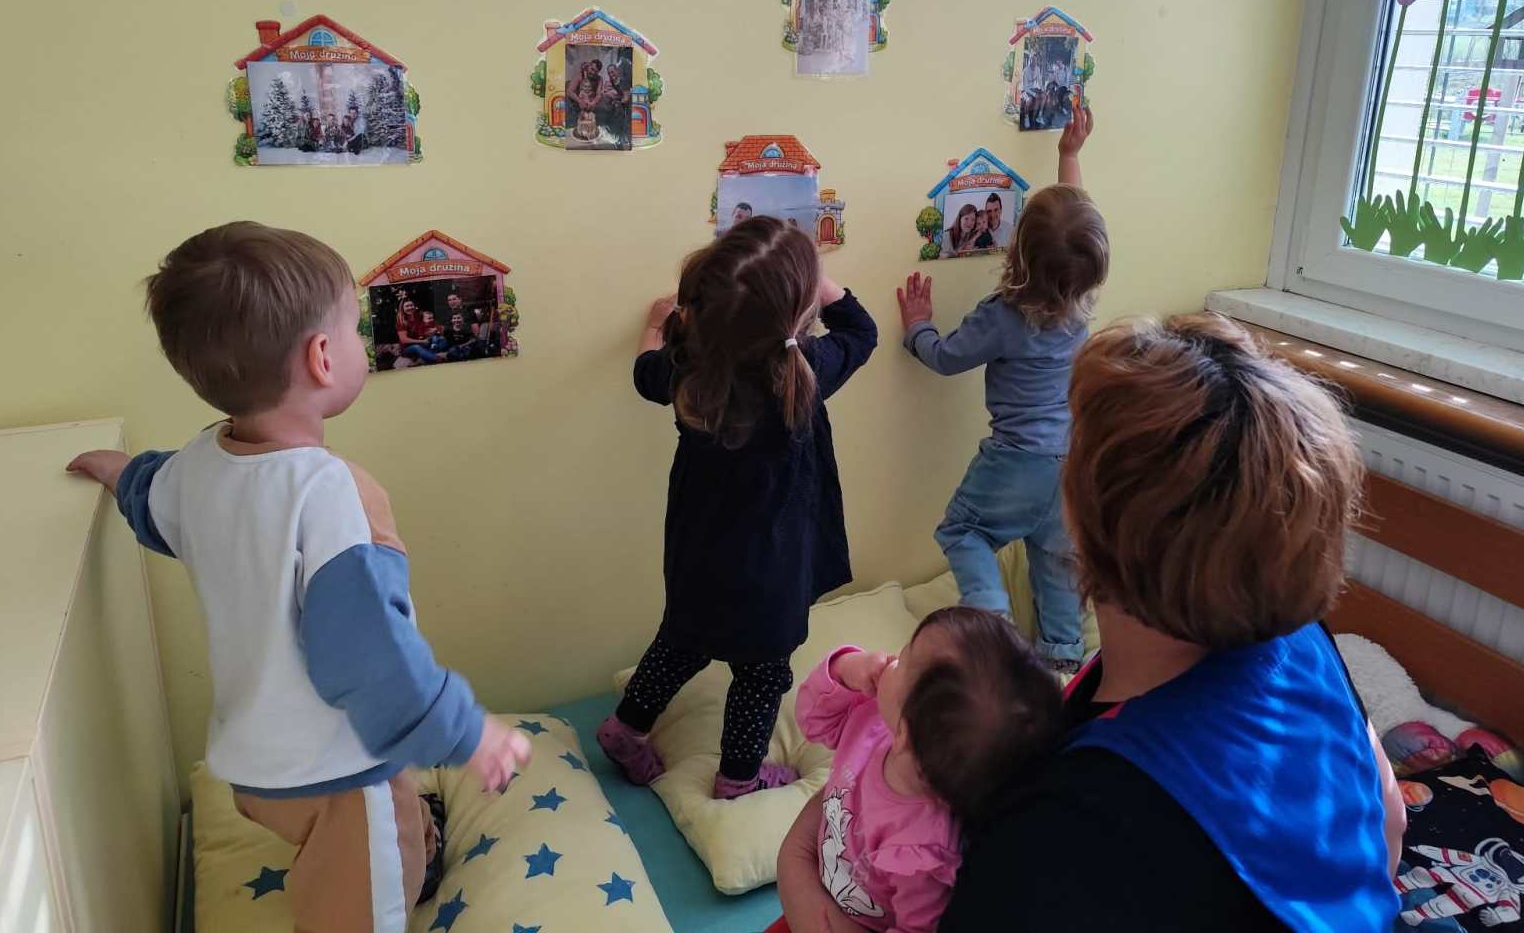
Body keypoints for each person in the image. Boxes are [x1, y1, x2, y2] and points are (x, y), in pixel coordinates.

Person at [65, 222, 530, 933]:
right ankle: (400, 858)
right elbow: (370, 657)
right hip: (338, 777)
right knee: (363, 898)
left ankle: (413, 837)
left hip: (251, 765)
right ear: (322, 357)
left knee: (382, 826)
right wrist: (468, 733)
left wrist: (115, 471)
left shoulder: (198, 463)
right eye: (354, 327)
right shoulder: (330, 495)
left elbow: (150, 502)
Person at [933, 313, 1406, 931]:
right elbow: (1389, 821)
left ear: (1085, 520)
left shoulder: (1058, 830)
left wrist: (811, 877)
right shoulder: (1304, 645)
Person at [597, 216, 878, 800]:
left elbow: (644, 374)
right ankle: (738, 779)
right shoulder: (807, 371)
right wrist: (820, 283)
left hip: (698, 551)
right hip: (773, 570)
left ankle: (624, 729)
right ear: (796, 313)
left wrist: (653, 328)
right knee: (762, 671)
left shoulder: (688, 369)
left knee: (681, 641)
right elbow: (862, 330)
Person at [897, 108, 1107, 673]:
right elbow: (1074, 235)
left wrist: (918, 327)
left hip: (1017, 460)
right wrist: (1069, 155)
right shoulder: (1081, 304)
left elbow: (946, 358)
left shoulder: (1004, 316)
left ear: (1016, 252)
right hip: (1072, 461)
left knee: (962, 529)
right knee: (1057, 560)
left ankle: (992, 624)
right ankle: (1063, 658)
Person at [771, 609, 1062, 933]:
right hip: (816, 872)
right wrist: (843, 668)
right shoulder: (876, 715)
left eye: (905, 657)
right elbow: (813, 721)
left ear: (904, 733)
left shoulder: (922, 854)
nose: (892, 658)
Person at [395, 299, 441, 365]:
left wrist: (434, 330)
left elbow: (431, 323)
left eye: (411, 305)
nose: (410, 307)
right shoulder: (401, 322)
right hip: (408, 348)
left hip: (423, 342)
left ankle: (426, 356)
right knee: (416, 347)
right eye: (407, 306)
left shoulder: (419, 316)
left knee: (440, 340)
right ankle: (437, 359)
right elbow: (404, 340)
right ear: (402, 308)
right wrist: (422, 341)